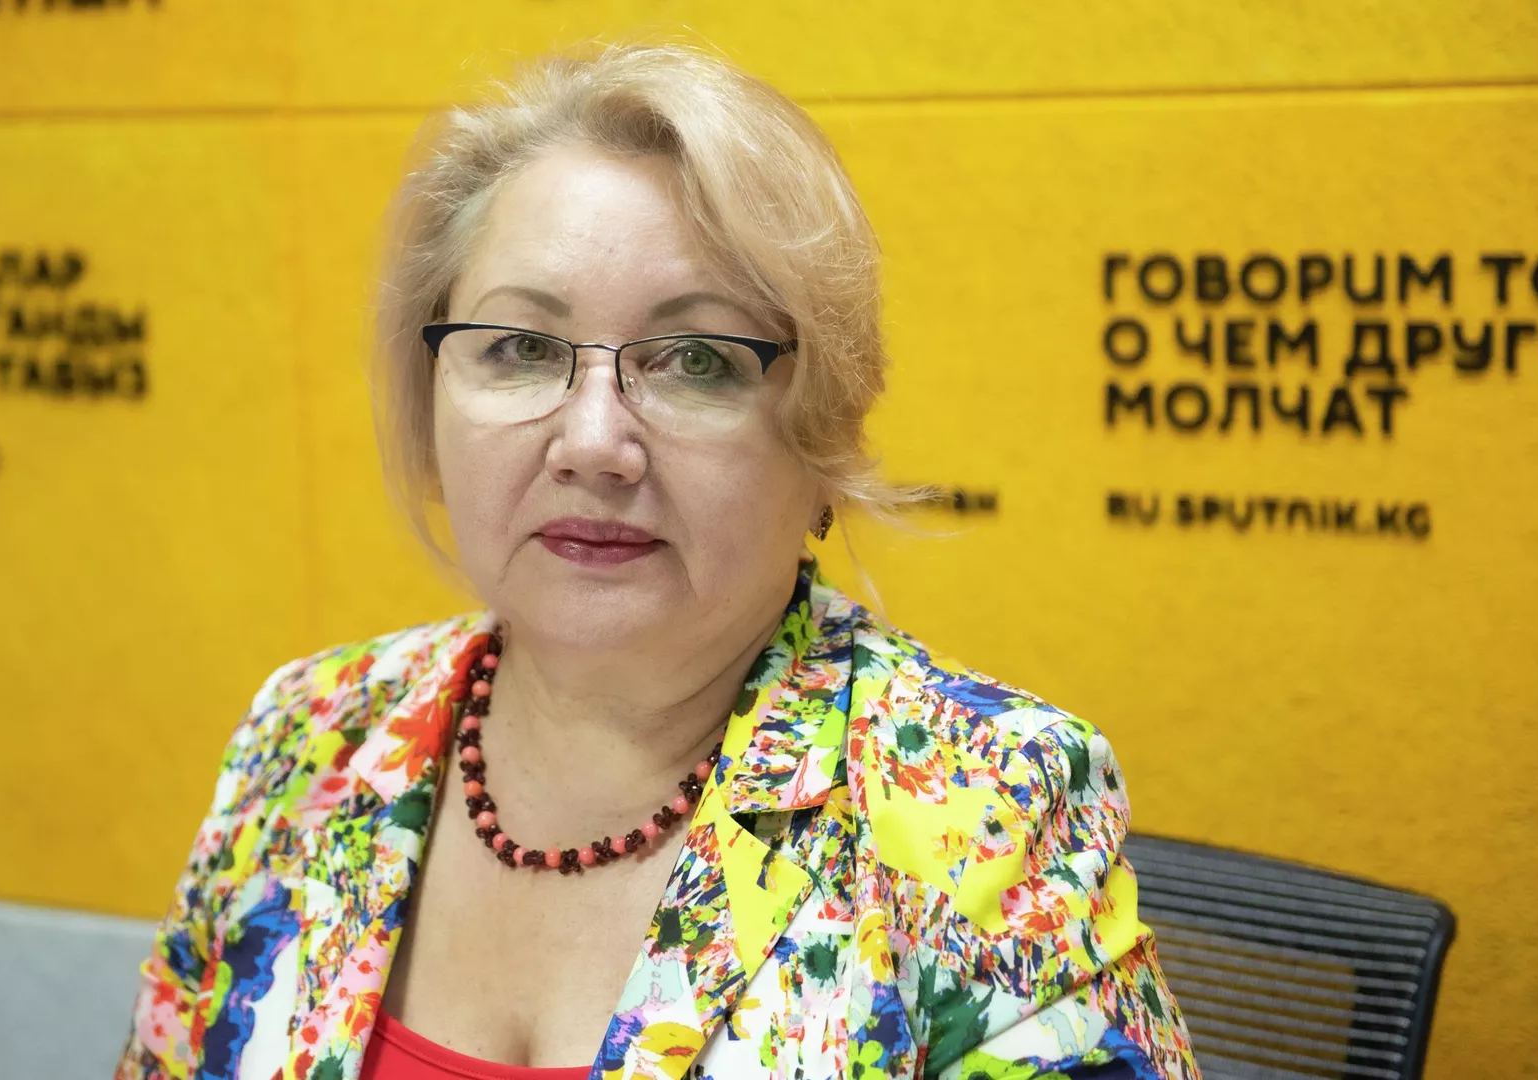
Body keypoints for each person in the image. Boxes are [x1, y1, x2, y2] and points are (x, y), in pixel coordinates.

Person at [116, 42, 1199, 1080]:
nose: (594, 443)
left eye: (696, 361)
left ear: (823, 434)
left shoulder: (989, 803)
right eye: (521, 348)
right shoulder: (306, 739)